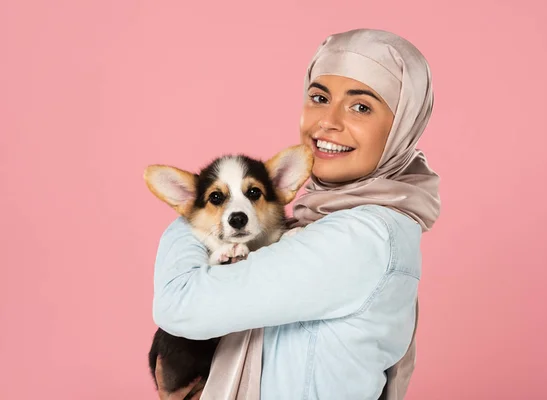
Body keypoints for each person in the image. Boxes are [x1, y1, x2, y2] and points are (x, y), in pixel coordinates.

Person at [152, 28, 441, 400]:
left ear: (403, 124)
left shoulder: (362, 236)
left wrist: (198, 212)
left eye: (361, 106)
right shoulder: (314, 221)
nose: (328, 122)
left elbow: (180, 303)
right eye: (319, 97)